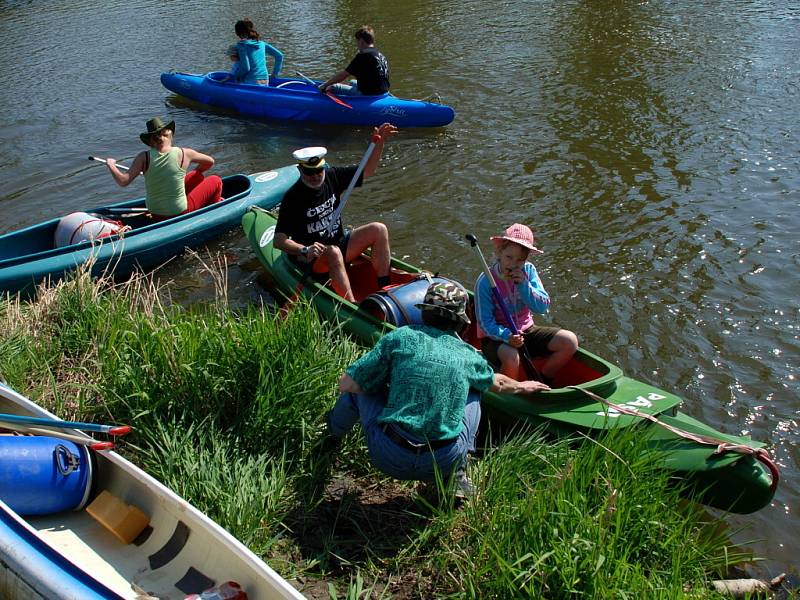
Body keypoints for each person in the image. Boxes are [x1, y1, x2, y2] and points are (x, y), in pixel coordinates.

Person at [327, 281, 550, 496]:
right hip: (443, 460)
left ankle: (330, 441)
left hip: (388, 455)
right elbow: (498, 383)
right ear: (461, 324)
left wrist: (387, 386)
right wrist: (522, 386)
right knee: (476, 388)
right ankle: (458, 476)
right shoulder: (468, 355)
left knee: (360, 388)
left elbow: (347, 383)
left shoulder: (401, 337)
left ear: (424, 313)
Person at [273, 123, 398, 302]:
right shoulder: (293, 197)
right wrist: (304, 249)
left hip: (338, 245)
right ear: (300, 170)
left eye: (318, 171)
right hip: (313, 259)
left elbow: (368, 171)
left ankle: (384, 288)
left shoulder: (332, 176)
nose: (315, 176)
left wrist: (379, 143)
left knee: (378, 229)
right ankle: (352, 306)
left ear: (324, 167)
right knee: (333, 252)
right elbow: (279, 240)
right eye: (309, 172)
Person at [475, 223, 579, 383]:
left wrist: (524, 285)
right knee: (511, 355)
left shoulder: (528, 271)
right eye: (509, 257)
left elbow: (542, 306)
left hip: (526, 331)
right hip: (496, 338)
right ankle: (510, 392)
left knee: (569, 341)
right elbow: (485, 323)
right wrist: (507, 336)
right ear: (500, 253)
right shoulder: (486, 281)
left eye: (520, 260)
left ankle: (544, 380)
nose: (513, 264)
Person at [105, 117, 223, 220]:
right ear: (170, 135)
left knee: (196, 176)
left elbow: (123, 181)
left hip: (155, 212)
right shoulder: (185, 153)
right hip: (179, 212)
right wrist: (195, 170)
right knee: (215, 180)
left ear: (151, 141)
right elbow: (210, 162)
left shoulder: (143, 157)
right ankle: (215, 207)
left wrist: (111, 165)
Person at [318, 25, 390, 96]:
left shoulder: (363, 55)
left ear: (361, 41)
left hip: (370, 94)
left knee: (333, 87)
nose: (357, 45)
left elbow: (343, 75)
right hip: (384, 91)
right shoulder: (379, 54)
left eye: (357, 41)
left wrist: (325, 85)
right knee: (352, 82)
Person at [233, 18, 283, 85]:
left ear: (238, 33)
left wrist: (235, 76)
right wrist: (274, 74)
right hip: (266, 80)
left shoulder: (242, 45)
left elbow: (246, 68)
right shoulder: (262, 43)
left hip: (252, 81)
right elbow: (279, 55)